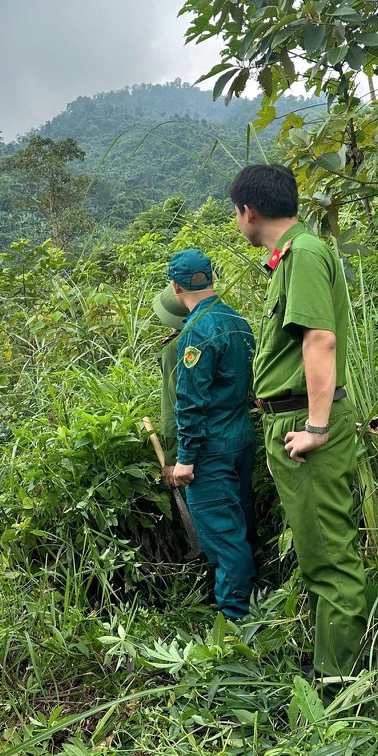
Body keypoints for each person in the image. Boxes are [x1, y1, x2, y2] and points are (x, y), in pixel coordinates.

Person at [230, 162, 367, 683]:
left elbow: (319, 340)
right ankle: (333, 661)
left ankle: (341, 681)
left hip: (305, 428)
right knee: (318, 550)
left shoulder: (305, 254)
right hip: (289, 422)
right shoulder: (290, 257)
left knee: (329, 555)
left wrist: (315, 426)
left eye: (235, 213)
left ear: (249, 211)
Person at [164, 249, 257, 620]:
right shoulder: (238, 321)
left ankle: (237, 621)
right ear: (211, 278)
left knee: (222, 533)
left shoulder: (196, 333)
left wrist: (185, 460)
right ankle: (257, 601)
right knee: (242, 522)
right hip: (242, 439)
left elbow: (190, 403)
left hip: (211, 451)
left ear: (175, 286)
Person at [151, 285, 187, 480]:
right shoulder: (230, 325)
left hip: (198, 450)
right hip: (239, 438)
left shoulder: (175, 347)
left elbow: (173, 403)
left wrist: (172, 458)